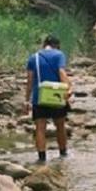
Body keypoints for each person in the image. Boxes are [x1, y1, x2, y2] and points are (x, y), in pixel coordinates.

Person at [24, 34, 71, 163]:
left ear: (44, 44)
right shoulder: (59, 55)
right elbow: (61, 73)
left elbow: (29, 81)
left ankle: (41, 158)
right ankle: (63, 154)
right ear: (57, 45)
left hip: (39, 96)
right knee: (60, 126)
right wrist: (68, 89)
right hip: (56, 95)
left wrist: (27, 100)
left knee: (40, 128)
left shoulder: (33, 57)